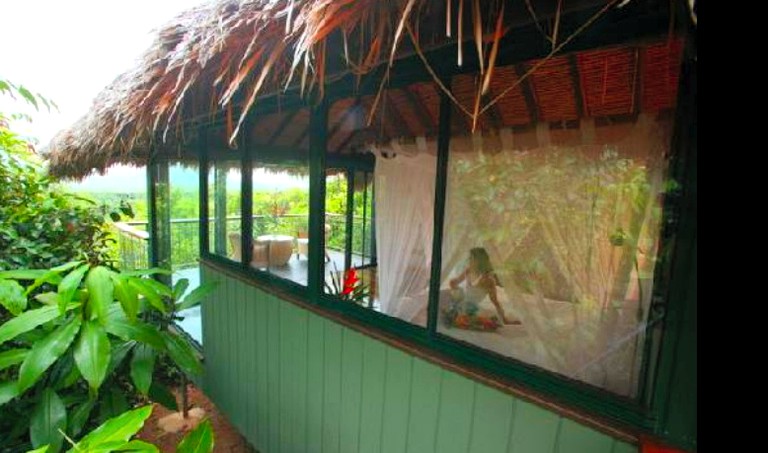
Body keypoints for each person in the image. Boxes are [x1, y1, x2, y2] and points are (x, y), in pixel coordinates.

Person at [449, 247, 521, 325]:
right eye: (469, 258)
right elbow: (455, 282)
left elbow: (495, 301)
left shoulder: (489, 280)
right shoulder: (468, 270)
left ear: (478, 261)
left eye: (471, 258)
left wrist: (505, 320)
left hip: (472, 308)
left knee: (469, 318)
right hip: (462, 302)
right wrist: (454, 285)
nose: (468, 260)